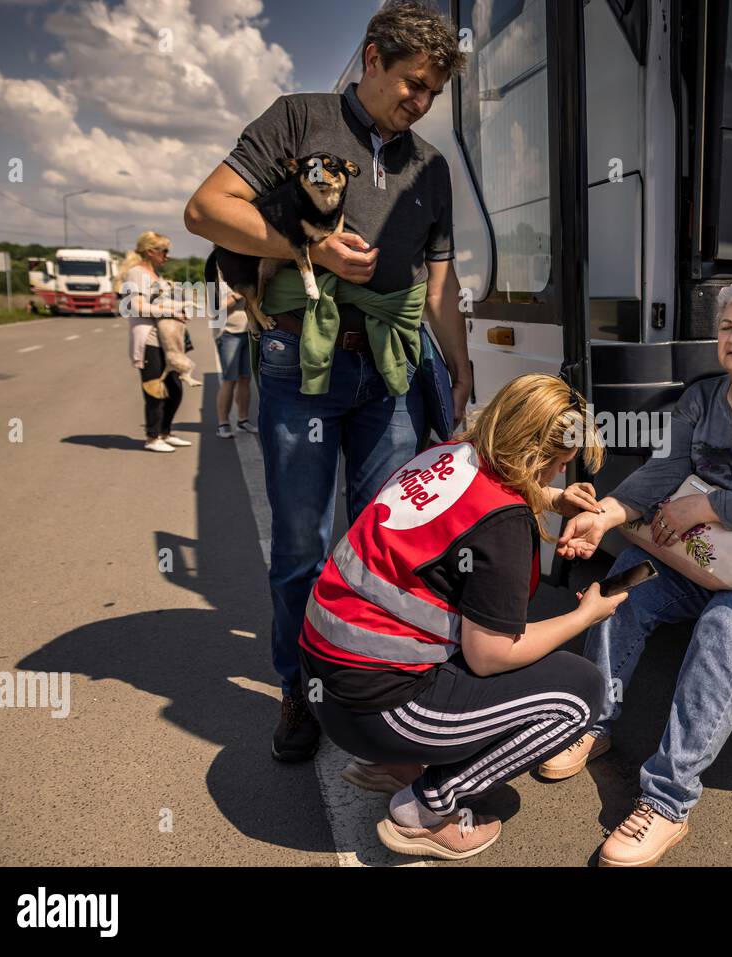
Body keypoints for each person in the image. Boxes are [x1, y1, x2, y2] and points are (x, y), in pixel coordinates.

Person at [184, 1, 474, 761]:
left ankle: (371, 681)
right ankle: (299, 686)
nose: (420, 102)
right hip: (298, 368)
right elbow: (205, 209)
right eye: (412, 83)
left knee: (385, 542)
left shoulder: (431, 168)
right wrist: (309, 246)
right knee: (302, 547)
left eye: (433, 93)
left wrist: (462, 370)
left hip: (389, 373)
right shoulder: (297, 119)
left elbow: (438, 284)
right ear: (373, 58)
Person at [551, 276, 732, 866]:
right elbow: (664, 475)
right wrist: (607, 515)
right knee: (625, 586)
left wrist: (708, 505)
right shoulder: (703, 397)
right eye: (725, 327)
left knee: (723, 628)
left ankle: (666, 802)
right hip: (713, 550)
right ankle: (591, 720)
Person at [301, 374, 624, 860]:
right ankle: (427, 811)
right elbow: (492, 655)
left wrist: (549, 500)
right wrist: (585, 616)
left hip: (329, 684)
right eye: (557, 466)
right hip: (377, 706)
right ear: (536, 457)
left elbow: (472, 510)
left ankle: (387, 761)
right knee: (580, 695)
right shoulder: (504, 522)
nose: (559, 476)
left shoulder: (447, 455)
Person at [121, 230, 192, 454]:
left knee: (175, 388)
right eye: (164, 251)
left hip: (165, 340)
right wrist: (170, 309)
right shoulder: (136, 274)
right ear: (151, 252)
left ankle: (165, 432)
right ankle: (152, 437)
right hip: (149, 339)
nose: (167, 256)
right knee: (155, 389)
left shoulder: (155, 276)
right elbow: (136, 306)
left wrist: (176, 311)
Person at [213, 283, 257, 438]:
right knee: (229, 380)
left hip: (248, 331)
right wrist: (237, 295)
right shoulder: (213, 276)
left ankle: (243, 420)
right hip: (228, 334)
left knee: (245, 379)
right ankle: (223, 424)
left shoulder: (241, 272)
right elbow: (214, 310)